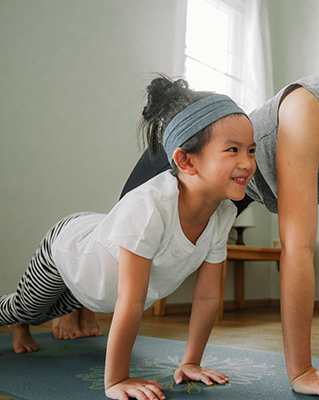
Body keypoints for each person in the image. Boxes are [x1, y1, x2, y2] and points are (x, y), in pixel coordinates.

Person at [61, 41, 319, 400]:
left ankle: (85, 311)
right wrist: (302, 371)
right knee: (112, 254)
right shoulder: (314, 106)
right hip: (199, 168)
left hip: (241, 188)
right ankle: (73, 302)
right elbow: (298, 246)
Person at [0, 77, 257, 400]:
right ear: (185, 161)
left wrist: (191, 362)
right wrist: (116, 380)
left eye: (251, 150)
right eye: (233, 150)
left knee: (45, 311)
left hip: (96, 287)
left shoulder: (223, 215)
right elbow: (131, 300)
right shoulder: (150, 207)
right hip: (67, 250)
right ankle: (16, 321)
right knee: (26, 308)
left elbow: (206, 297)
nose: (247, 163)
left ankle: (23, 321)